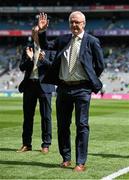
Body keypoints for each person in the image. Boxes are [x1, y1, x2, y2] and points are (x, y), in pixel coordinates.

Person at [36, 11, 105, 171]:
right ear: (69, 23)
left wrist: (89, 80)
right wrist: (42, 31)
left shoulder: (92, 41)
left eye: (77, 22)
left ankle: (80, 162)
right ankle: (66, 158)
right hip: (63, 88)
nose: (74, 25)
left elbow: (100, 65)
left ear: (84, 23)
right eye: (72, 22)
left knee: (82, 125)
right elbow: (46, 46)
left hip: (82, 89)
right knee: (63, 125)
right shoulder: (63, 39)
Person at [17, 26, 56, 153]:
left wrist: (42, 59)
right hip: (29, 86)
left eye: (38, 32)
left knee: (46, 117)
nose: (36, 34)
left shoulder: (50, 48)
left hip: (45, 86)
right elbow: (22, 67)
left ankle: (46, 144)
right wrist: (30, 58)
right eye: (34, 32)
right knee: (27, 117)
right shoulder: (27, 48)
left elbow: (54, 67)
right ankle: (26, 144)